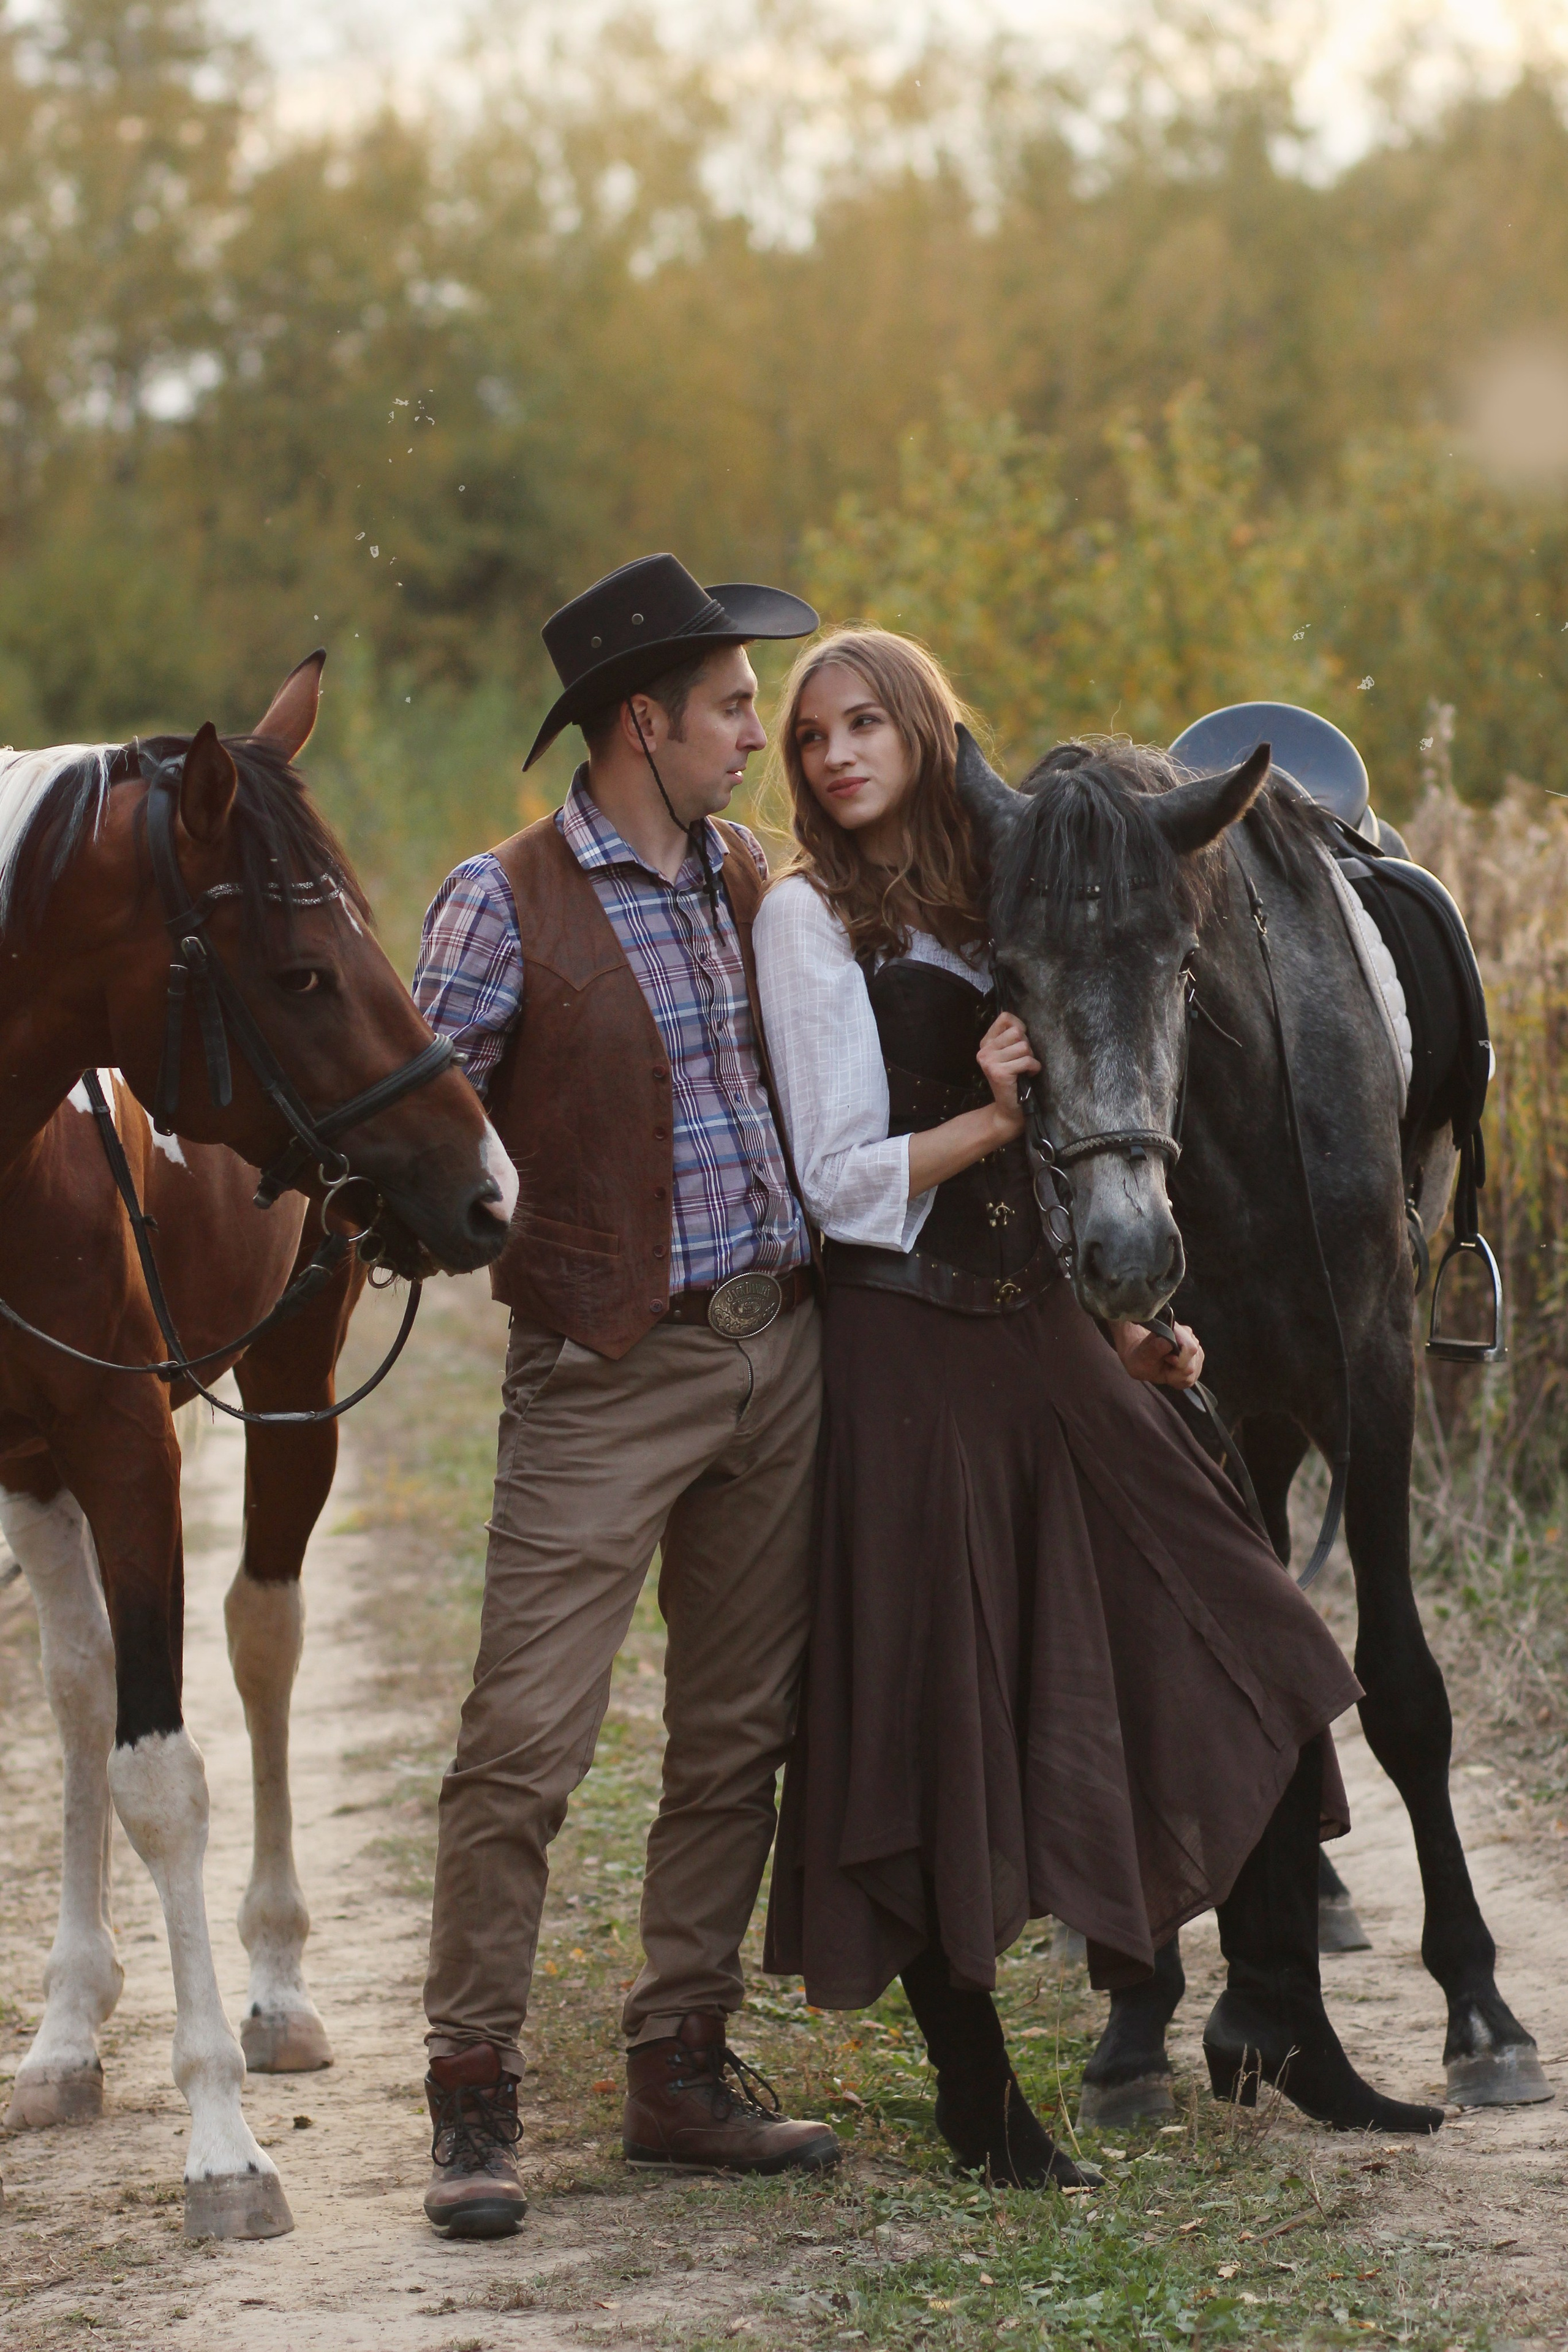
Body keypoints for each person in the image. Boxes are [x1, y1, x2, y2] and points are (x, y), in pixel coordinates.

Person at [752, 626, 1445, 2188]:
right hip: (911, 1347)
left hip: (1041, 1325)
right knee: (937, 1715)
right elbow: (836, 1184)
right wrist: (986, 1114)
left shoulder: (995, 893)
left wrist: (1127, 1326)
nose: (836, 756)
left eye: (865, 725)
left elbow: (1098, 1104)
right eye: (808, 736)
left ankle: (1281, 2019)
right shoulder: (808, 921)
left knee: (1247, 1634)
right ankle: (980, 2098)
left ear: (929, 735)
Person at [409, 554, 843, 2240]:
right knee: (523, 1742)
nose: (755, 734)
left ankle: (680, 2067)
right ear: (642, 724)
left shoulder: (749, 877)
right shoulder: (498, 899)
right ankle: (471, 2091)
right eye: (732, 708)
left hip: (776, 1351)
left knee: (736, 1735)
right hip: (603, 1366)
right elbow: (426, 1128)